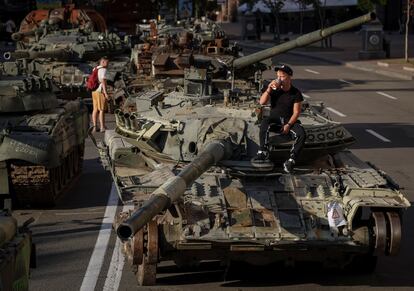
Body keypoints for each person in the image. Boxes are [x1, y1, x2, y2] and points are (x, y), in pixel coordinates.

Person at [254, 64, 306, 173]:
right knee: (264, 123)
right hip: (275, 120)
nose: (279, 79)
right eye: (278, 76)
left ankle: (291, 160)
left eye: (282, 76)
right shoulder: (274, 89)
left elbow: (296, 112)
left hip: (288, 120)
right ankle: (262, 151)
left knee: (301, 133)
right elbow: (262, 102)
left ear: (289, 77)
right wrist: (269, 88)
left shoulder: (295, 93)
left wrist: (288, 125)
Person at [91, 56, 109, 133]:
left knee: (95, 109)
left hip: (94, 91)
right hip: (100, 91)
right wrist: (105, 93)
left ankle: (95, 126)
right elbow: (103, 81)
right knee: (101, 109)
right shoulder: (103, 70)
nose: (108, 64)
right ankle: (102, 127)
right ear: (103, 62)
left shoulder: (95, 69)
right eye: (107, 62)